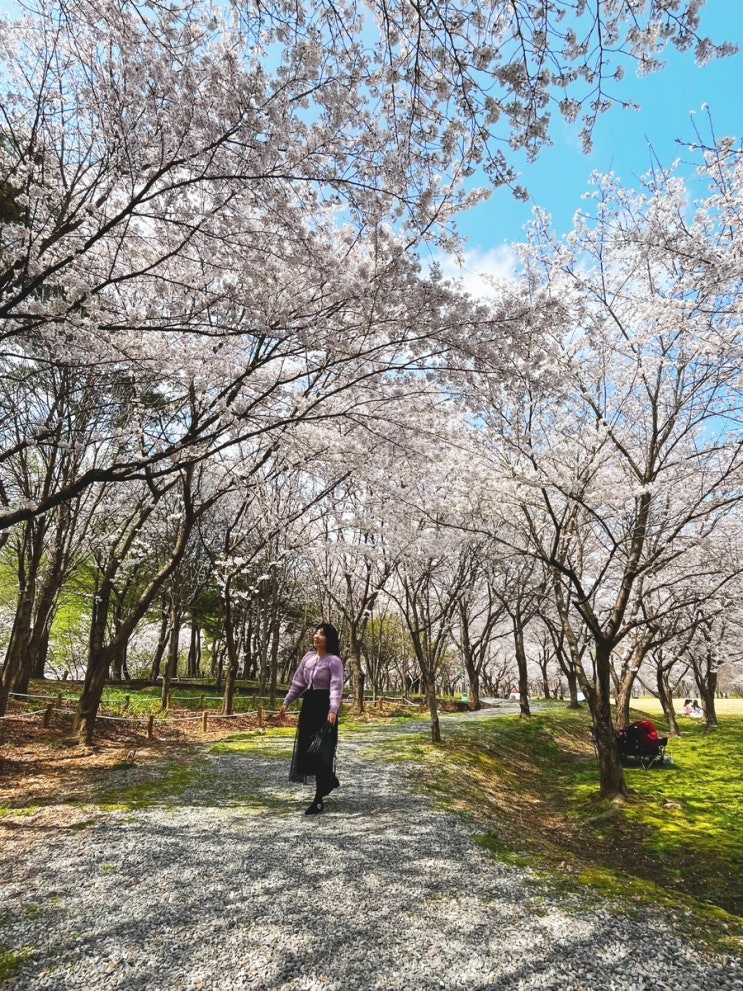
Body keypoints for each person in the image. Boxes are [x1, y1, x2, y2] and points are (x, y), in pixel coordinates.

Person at [279, 623, 344, 815]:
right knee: (308, 749)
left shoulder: (334, 661)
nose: (317, 636)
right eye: (316, 632)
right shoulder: (307, 658)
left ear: (329, 639)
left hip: (325, 707)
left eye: (322, 634)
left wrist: (333, 709)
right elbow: (298, 683)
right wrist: (287, 702)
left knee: (322, 751)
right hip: (309, 706)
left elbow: (336, 687)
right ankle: (330, 780)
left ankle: (318, 800)